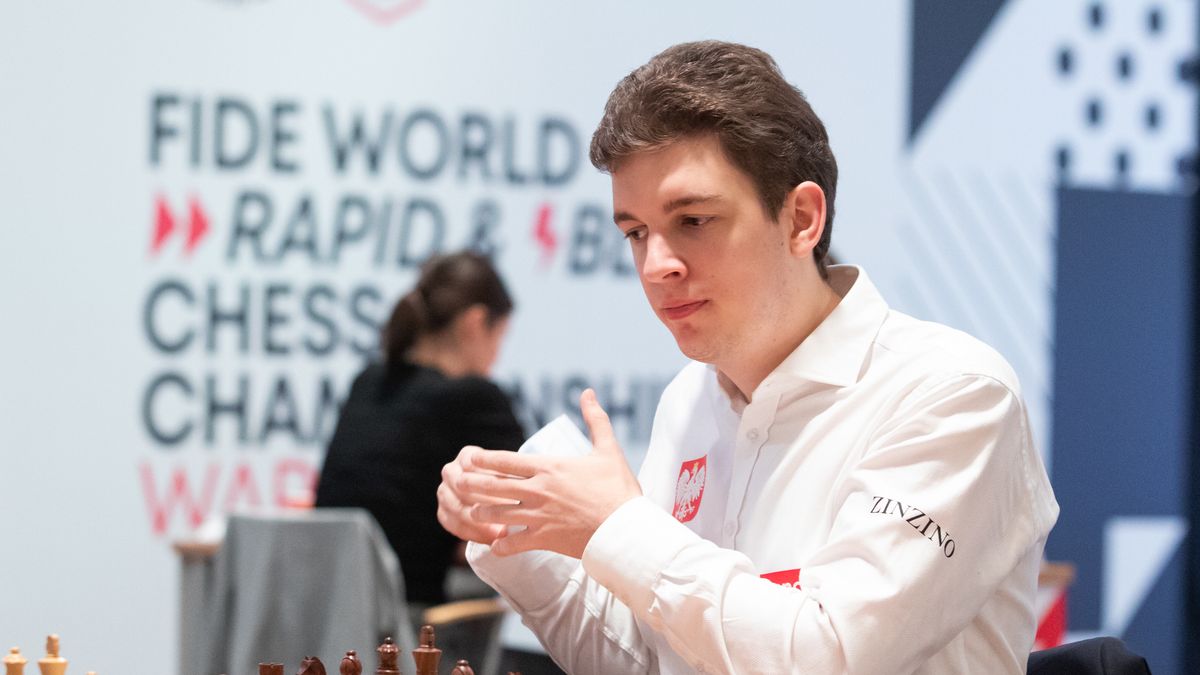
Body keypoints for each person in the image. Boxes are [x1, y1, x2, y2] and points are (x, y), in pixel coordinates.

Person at [437, 41, 1058, 674]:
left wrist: (616, 527)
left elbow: (831, 656)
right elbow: (643, 663)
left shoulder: (951, 394)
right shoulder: (689, 399)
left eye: (694, 221)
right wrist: (516, 531)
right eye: (635, 233)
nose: (657, 266)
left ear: (801, 220)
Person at [316, 251, 525, 607]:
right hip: (412, 630)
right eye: (499, 338)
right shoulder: (475, 398)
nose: (496, 357)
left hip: (328, 618)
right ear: (475, 323)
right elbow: (530, 514)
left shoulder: (368, 382)